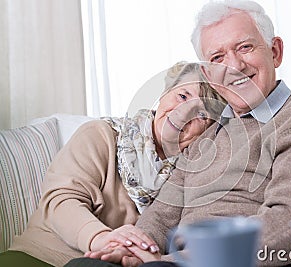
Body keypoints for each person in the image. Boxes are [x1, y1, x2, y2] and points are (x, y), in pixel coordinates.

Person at [69, 1, 291, 266]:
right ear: (209, 74)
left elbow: (289, 223)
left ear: (275, 51)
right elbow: (161, 215)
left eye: (244, 47)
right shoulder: (210, 135)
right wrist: (130, 249)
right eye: (217, 58)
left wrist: (171, 260)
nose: (234, 66)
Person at [0, 62, 226, 267]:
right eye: (183, 96)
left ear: (209, 130)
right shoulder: (102, 135)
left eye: (201, 113)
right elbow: (60, 200)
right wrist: (101, 238)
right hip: (40, 257)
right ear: (165, 93)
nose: (183, 114)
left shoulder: (193, 175)